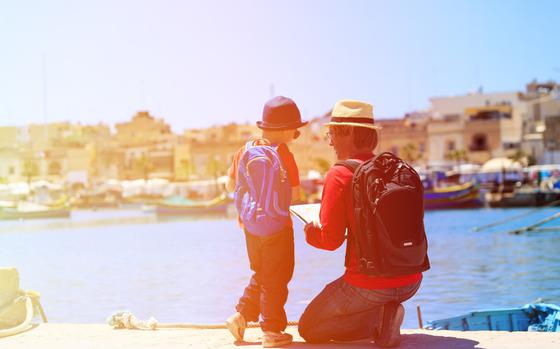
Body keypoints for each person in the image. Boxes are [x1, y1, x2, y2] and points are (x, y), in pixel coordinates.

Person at [298, 100, 424, 347]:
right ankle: (386, 316)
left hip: (368, 285)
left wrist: (310, 231)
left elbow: (330, 241)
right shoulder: (393, 170)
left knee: (310, 328)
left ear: (349, 133)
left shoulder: (340, 174)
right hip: (412, 279)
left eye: (332, 133)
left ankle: (380, 320)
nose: (330, 141)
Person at [225, 96, 307, 348]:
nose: (297, 134)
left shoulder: (244, 150)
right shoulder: (284, 154)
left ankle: (241, 316)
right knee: (278, 276)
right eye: (296, 129)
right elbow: (295, 195)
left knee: (263, 272)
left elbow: (230, 186)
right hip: (278, 227)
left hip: (250, 227)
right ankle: (272, 331)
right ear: (285, 130)